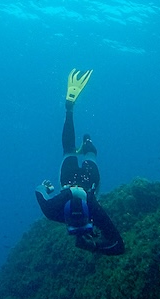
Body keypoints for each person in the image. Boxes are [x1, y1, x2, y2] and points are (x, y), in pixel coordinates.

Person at [35, 69, 125, 256]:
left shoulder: (93, 209)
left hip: (88, 180)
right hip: (68, 178)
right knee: (68, 149)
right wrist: (47, 187)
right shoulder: (53, 211)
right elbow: (39, 190)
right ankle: (70, 109)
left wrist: (94, 246)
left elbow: (118, 247)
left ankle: (87, 142)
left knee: (90, 155)